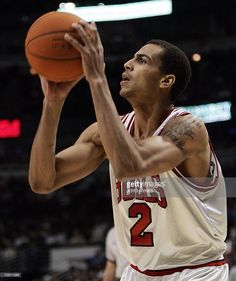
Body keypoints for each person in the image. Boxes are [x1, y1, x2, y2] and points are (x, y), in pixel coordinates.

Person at [28, 19, 229, 280]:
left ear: (166, 80)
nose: (127, 64)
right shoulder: (105, 132)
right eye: (131, 59)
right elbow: (43, 181)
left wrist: (97, 79)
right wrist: (52, 104)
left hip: (196, 273)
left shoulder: (188, 129)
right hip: (137, 273)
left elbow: (129, 166)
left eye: (142, 60)